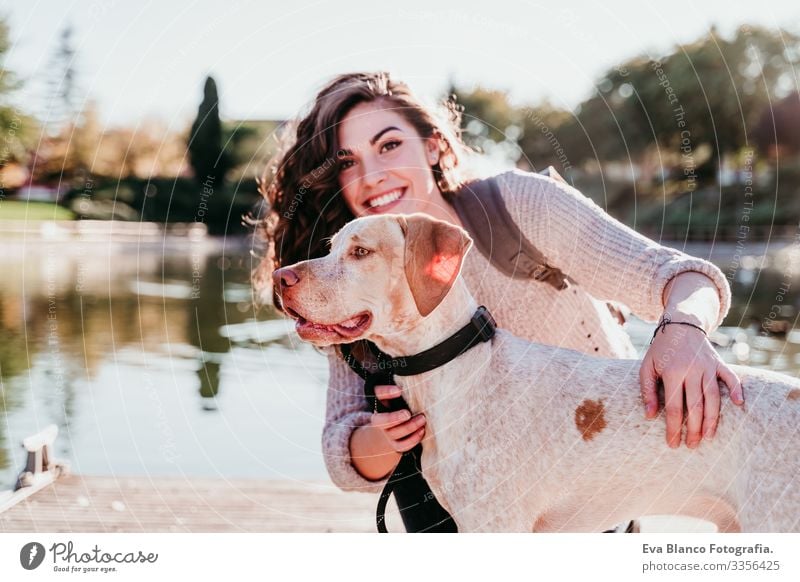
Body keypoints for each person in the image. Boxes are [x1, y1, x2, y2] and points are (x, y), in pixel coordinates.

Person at [252, 71, 744, 531]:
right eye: (348, 163)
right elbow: (343, 451)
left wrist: (682, 329)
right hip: (456, 491)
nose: (373, 174)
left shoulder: (519, 207)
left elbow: (683, 277)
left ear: (433, 146)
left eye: (390, 145)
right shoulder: (356, 277)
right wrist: (386, 437)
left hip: (592, 469)